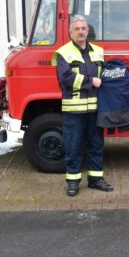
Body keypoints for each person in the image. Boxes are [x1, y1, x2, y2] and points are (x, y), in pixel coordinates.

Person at [52, 15, 114, 196]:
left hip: (95, 110)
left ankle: (96, 179)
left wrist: (124, 83)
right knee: (73, 146)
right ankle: (72, 182)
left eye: (83, 28)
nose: (80, 31)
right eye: (77, 29)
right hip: (74, 111)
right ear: (70, 32)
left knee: (96, 145)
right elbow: (66, 78)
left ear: (88, 31)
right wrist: (90, 81)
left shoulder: (99, 51)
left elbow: (107, 76)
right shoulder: (63, 53)